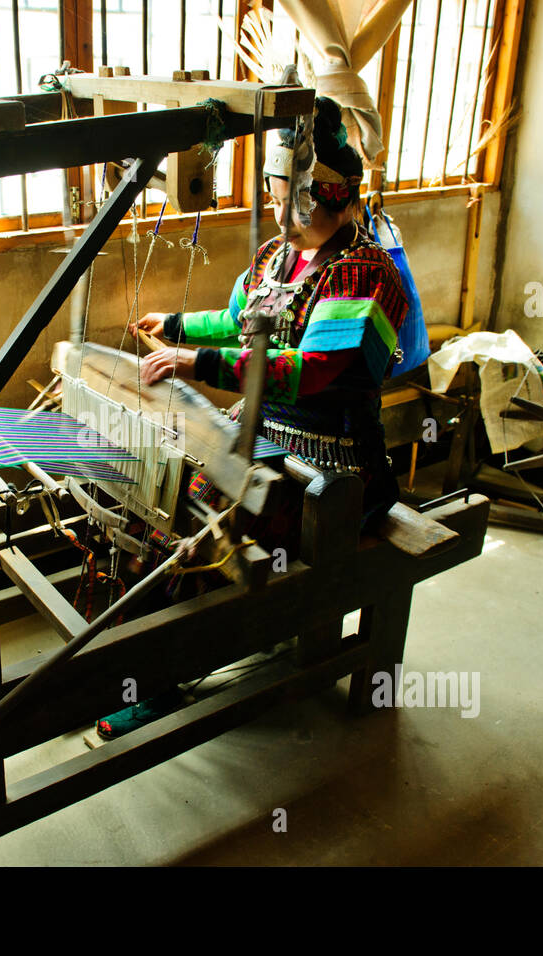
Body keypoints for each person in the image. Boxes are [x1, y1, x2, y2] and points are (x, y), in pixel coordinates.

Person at [94, 98, 410, 742]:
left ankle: (162, 678)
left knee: (203, 525)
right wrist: (177, 326)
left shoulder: (366, 274)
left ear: (331, 197)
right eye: (272, 197)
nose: (277, 212)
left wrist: (197, 361)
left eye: (290, 201)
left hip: (334, 462)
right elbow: (241, 322)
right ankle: (130, 654)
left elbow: (309, 369)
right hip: (262, 430)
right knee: (161, 497)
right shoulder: (276, 256)